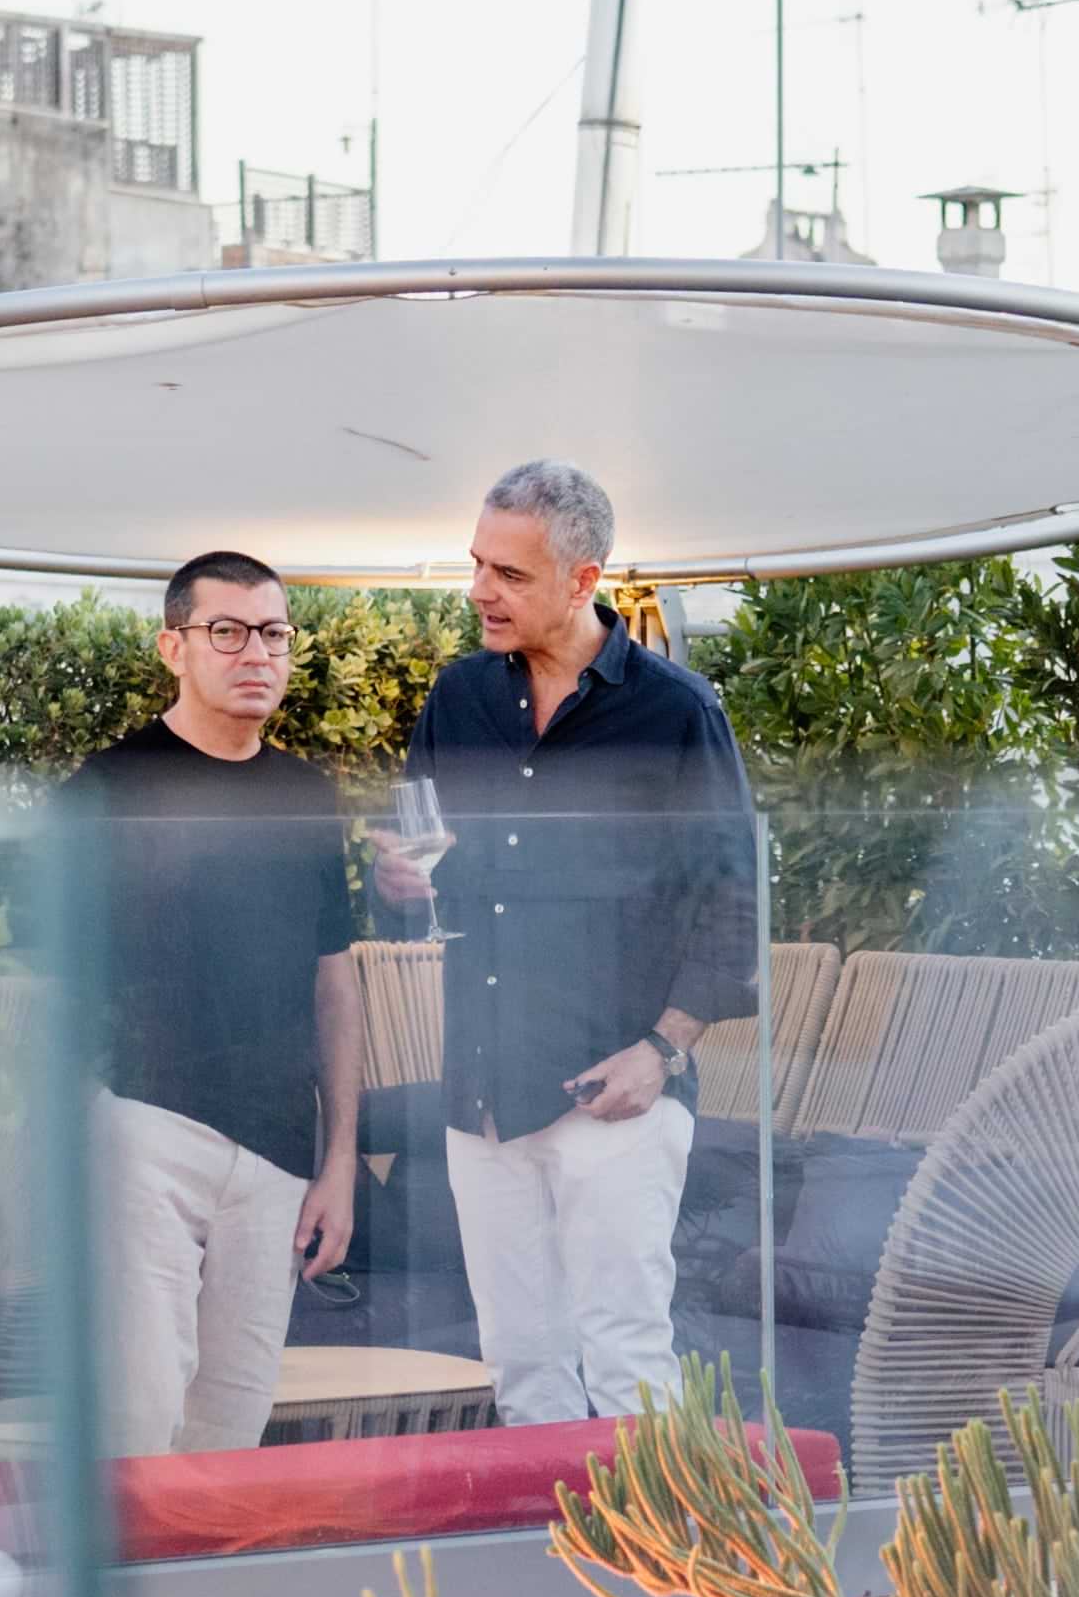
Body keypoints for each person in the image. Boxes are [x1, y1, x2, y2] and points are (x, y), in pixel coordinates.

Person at [374, 459, 758, 1426]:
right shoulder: (456, 698)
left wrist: (662, 1050)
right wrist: (398, 887)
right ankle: (544, 1530)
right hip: (482, 1094)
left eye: (509, 574)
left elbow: (736, 901)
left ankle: (659, 1530)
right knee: (519, 1362)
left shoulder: (678, 711)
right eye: (477, 564)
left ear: (584, 579)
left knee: (628, 1357)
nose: (480, 591)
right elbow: (417, 877)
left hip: (615, 1093)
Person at [64, 549, 363, 1458]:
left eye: (273, 633)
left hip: (276, 1153)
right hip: (146, 1129)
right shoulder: (107, 789)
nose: (256, 653)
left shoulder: (307, 795)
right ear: (174, 647)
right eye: (226, 632)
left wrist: (339, 1162)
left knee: (233, 1422)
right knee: (138, 1410)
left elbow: (334, 982)